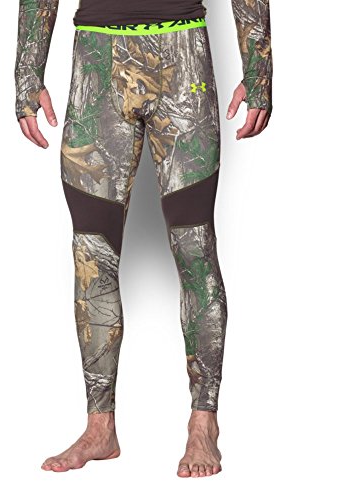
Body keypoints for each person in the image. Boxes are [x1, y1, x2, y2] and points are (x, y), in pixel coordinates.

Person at [14, 0, 273, 478]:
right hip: (96, 58)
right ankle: (100, 428)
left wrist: (259, 70)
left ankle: (204, 422)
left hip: (182, 54)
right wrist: (27, 72)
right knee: (92, 252)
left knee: (194, 245)